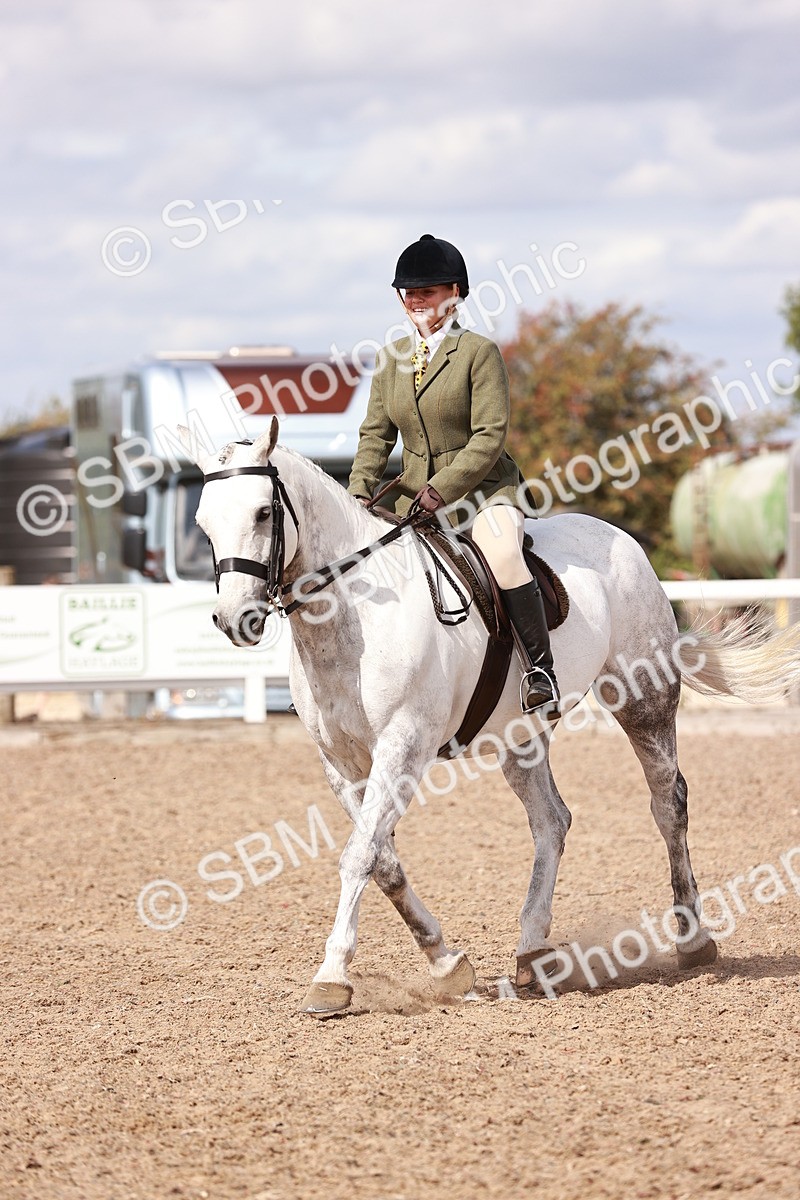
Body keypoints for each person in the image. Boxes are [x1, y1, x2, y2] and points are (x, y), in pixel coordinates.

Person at [348, 233, 559, 716]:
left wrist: (442, 489)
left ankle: (540, 670)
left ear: (455, 293)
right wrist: (358, 493)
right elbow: (375, 436)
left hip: (484, 493)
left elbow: (490, 436)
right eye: (409, 293)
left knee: (503, 554)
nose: (416, 301)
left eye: (428, 291)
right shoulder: (390, 359)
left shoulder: (478, 353)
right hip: (411, 500)